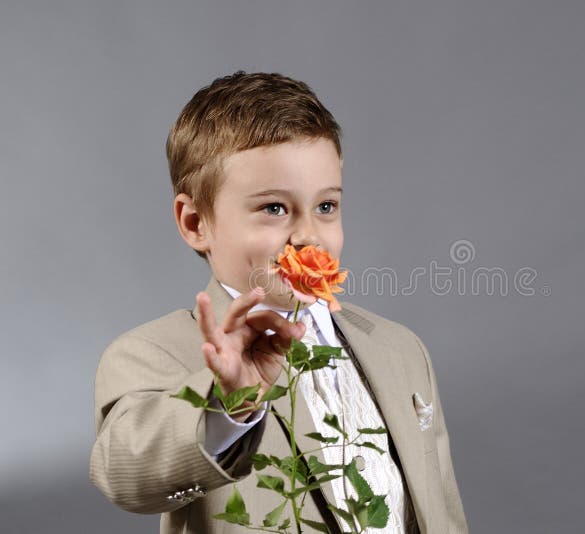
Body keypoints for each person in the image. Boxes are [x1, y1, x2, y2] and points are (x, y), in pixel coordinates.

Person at [89, 71, 468, 534]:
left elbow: (443, 513)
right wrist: (229, 403)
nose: (309, 234)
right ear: (195, 223)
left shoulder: (402, 349)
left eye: (326, 206)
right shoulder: (152, 353)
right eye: (274, 208)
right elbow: (126, 476)